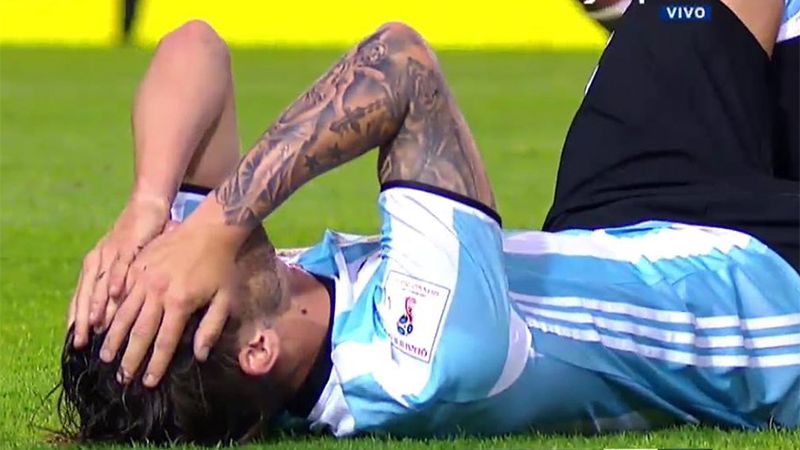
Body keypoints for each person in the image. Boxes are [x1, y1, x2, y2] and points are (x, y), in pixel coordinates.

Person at [61, 0, 800, 444]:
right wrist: (217, 226)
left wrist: (148, 204)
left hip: (620, 226)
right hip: (756, 295)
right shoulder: (416, 364)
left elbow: (195, 45)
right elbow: (401, 68)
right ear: (258, 350)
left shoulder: (247, 298)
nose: (169, 253)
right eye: (168, 280)